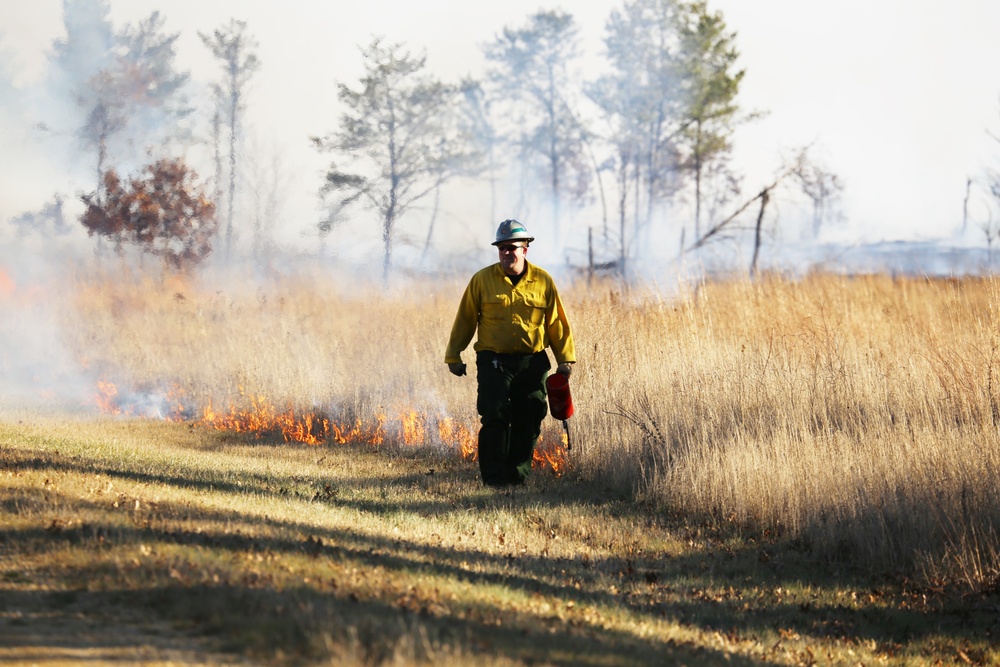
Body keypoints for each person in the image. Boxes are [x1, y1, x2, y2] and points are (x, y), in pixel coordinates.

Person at [444, 219, 576, 487]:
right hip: (494, 360)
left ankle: (517, 475)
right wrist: (454, 355)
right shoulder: (482, 280)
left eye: (512, 247)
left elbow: (556, 323)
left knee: (530, 416)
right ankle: (494, 479)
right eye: (501, 248)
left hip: (533, 362)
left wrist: (565, 360)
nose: (506, 253)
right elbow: (465, 319)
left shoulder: (543, 281)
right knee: (494, 415)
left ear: (525, 249)